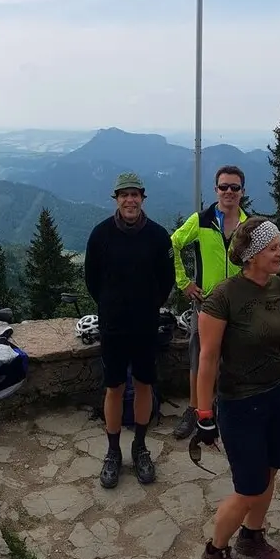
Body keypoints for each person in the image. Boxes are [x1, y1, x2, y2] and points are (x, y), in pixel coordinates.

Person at [193, 217, 280, 559]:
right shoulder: (223, 297)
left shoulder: (275, 285)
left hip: (277, 394)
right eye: (273, 248)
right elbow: (207, 359)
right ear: (252, 256)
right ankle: (215, 550)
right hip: (240, 402)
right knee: (249, 487)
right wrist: (204, 415)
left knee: (270, 472)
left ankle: (251, 537)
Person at [83, 172, 174, 489]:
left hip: (146, 325)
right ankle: (112, 452)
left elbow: (167, 281)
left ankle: (140, 446)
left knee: (145, 385)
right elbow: (91, 280)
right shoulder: (100, 235)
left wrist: (148, 306)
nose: (130, 200)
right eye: (124, 195)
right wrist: (111, 306)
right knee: (115, 388)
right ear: (116, 199)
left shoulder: (158, 237)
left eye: (135, 194)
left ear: (143, 198)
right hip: (113, 327)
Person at [170, 165, 250, 439]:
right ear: (215, 190)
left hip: (239, 304)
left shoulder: (248, 225)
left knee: (235, 359)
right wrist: (184, 283)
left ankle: (226, 409)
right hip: (206, 304)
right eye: (224, 187)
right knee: (199, 359)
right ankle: (195, 410)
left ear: (242, 191)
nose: (229, 192)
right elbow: (174, 244)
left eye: (234, 187)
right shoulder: (201, 220)